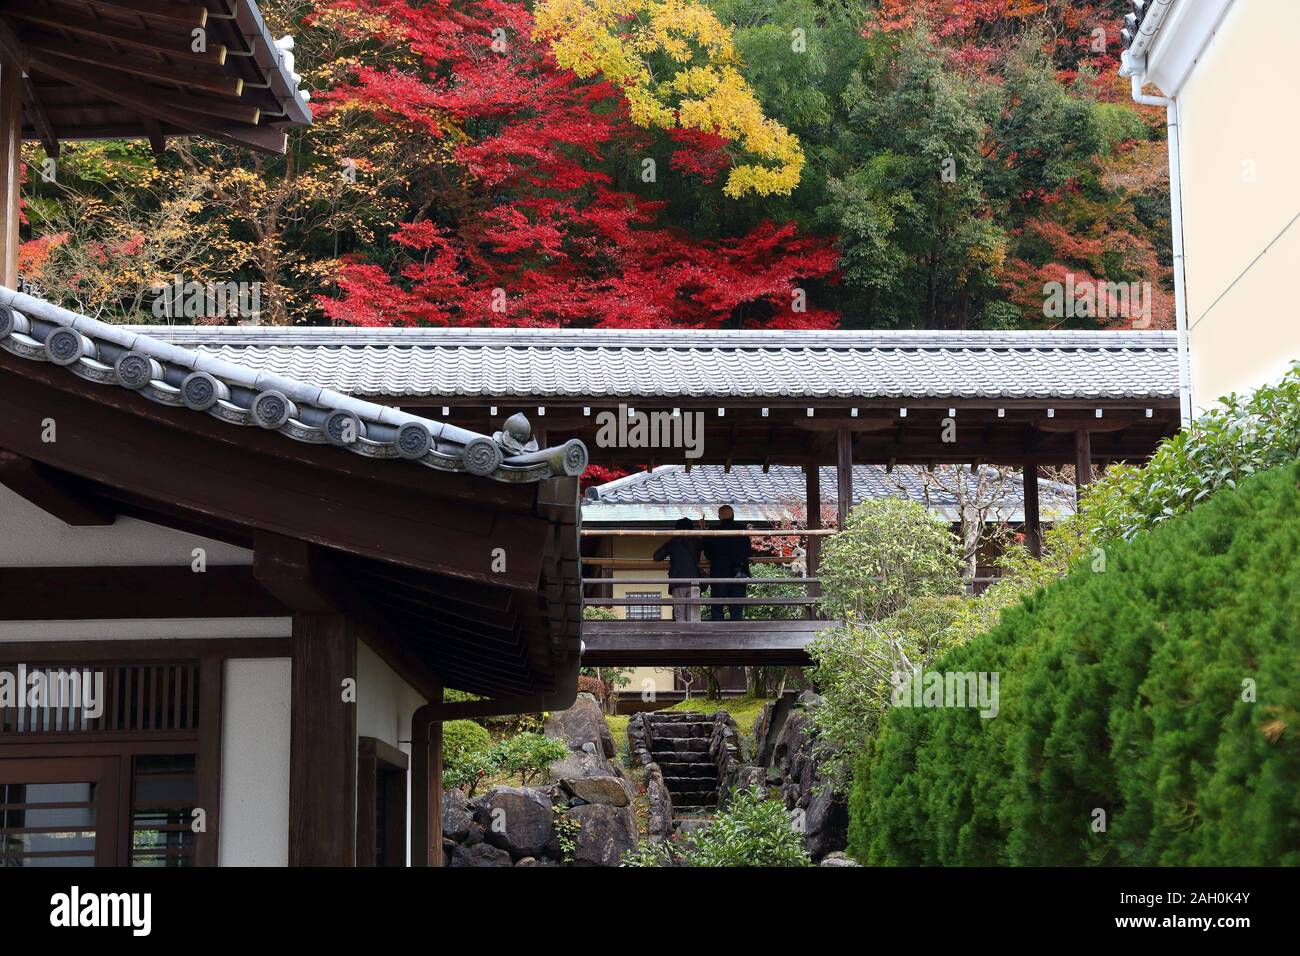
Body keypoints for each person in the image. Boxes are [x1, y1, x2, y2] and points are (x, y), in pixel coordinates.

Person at [702, 504, 751, 621]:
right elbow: (747, 551)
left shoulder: (713, 532)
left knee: (717, 606)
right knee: (736, 608)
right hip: (738, 573)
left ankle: (718, 633)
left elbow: (708, 553)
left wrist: (703, 531)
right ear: (733, 515)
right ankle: (736, 633)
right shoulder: (742, 530)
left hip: (719, 573)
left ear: (719, 517)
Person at [653, 517, 703, 622]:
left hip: (678, 581)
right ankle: (694, 637)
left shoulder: (673, 542)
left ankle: (682, 637)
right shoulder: (697, 541)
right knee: (693, 616)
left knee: (680, 615)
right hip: (695, 580)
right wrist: (702, 528)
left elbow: (657, 556)